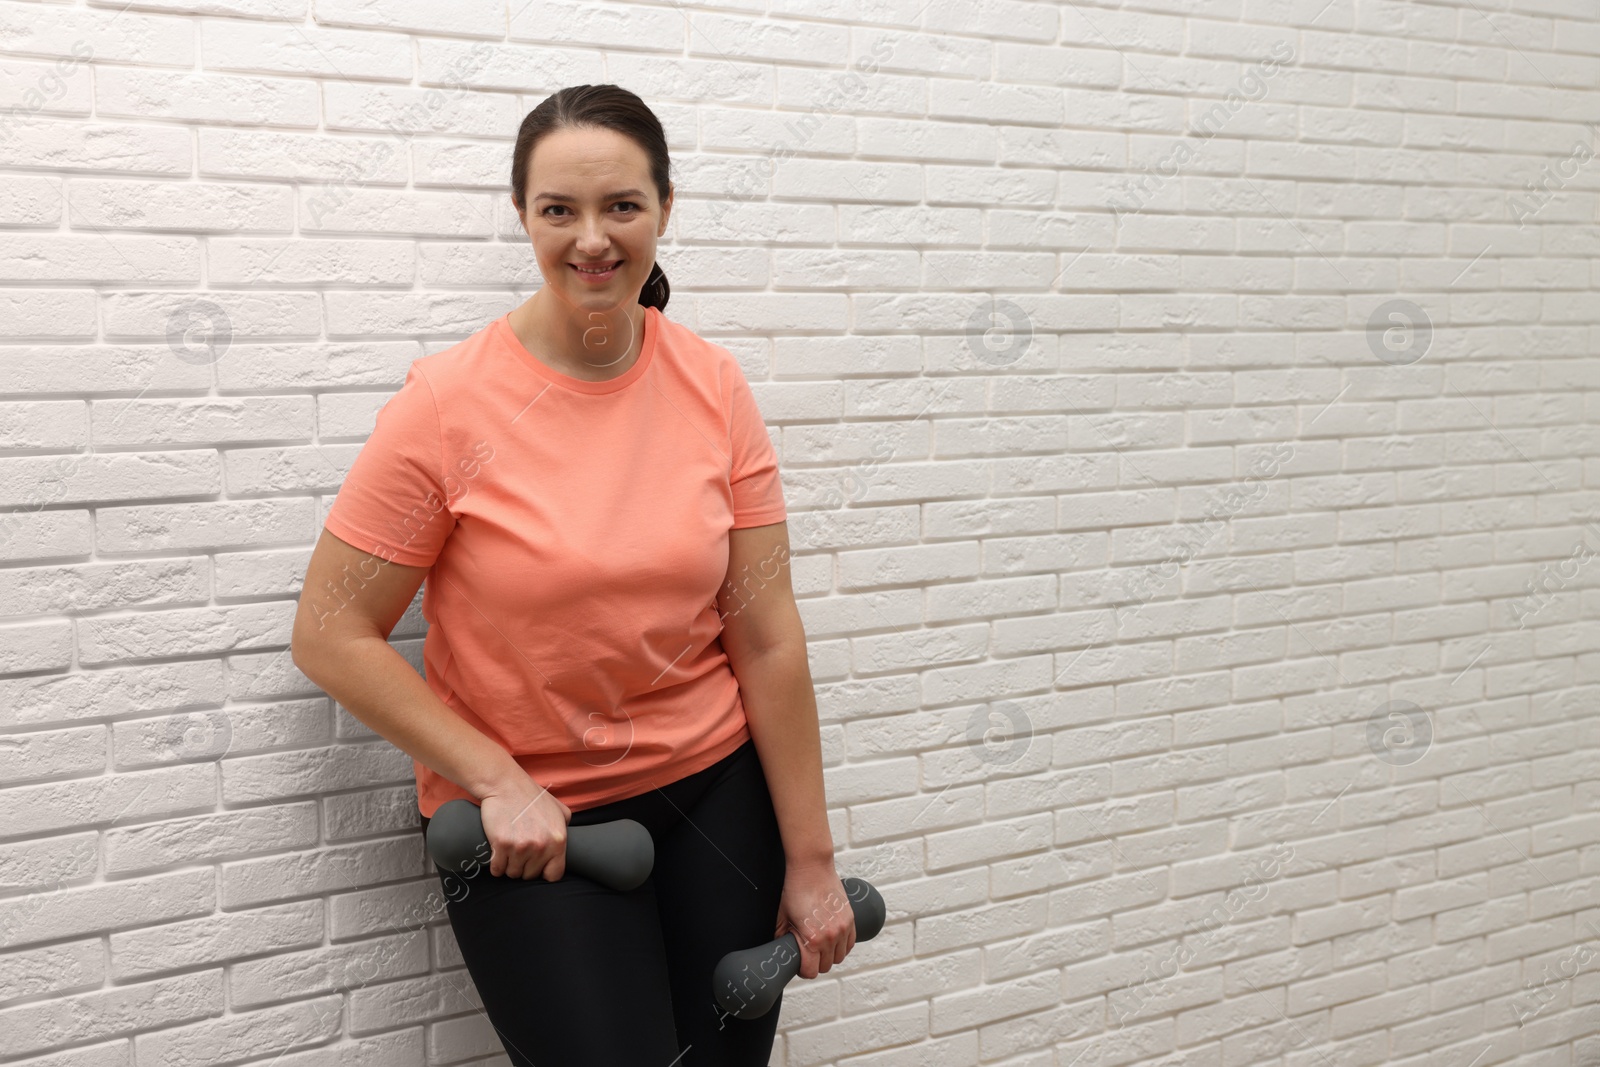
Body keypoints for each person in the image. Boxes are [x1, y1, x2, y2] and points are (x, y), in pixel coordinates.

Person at [289, 83, 855, 1066]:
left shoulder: (714, 387)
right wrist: (493, 776)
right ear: (524, 218)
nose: (592, 238)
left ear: (663, 210)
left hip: (716, 799)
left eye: (621, 206)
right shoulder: (447, 405)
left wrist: (811, 860)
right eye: (560, 210)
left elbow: (766, 637)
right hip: (529, 824)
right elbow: (330, 632)